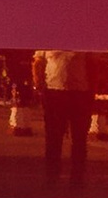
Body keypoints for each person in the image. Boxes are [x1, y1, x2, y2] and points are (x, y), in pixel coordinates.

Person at [36, 48, 97, 189]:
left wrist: (91, 92)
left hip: (80, 94)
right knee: (53, 138)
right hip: (53, 93)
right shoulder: (47, 39)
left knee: (79, 138)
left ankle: (77, 178)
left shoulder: (85, 40)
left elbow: (93, 65)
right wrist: (39, 86)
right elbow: (38, 62)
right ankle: (52, 176)